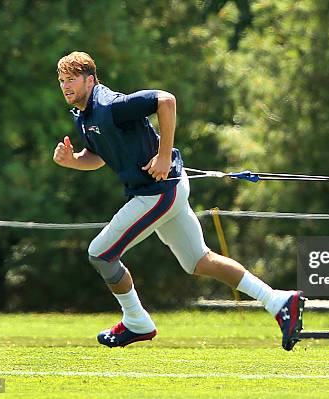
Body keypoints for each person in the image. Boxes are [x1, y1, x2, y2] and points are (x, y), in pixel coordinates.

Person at [53, 51, 304, 351]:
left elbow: (166, 101)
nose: (66, 86)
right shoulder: (84, 116)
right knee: (199, 261)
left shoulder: (108, 105)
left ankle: (136, 320)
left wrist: (162, 156)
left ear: (90, 80)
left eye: (72, 80)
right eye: (61, 81)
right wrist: (73, 161)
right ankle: (278, 302)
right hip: (163, 190)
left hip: (158, 192)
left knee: (101, 253)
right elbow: (98, 157)